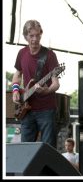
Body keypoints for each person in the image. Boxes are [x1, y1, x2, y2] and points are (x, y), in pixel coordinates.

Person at [12, 19, 60, 148]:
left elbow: (56, 84)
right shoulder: (21, 53)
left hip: (46, 110)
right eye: (31, 36)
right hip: (27, 109)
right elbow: (17, 74)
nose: (35, 39)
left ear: (41, 34)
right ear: (25, 36)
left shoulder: (50, 55)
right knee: (25, 150)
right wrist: (16, 90)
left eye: (38, 35)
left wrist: (47, 90)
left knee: (48, 150)